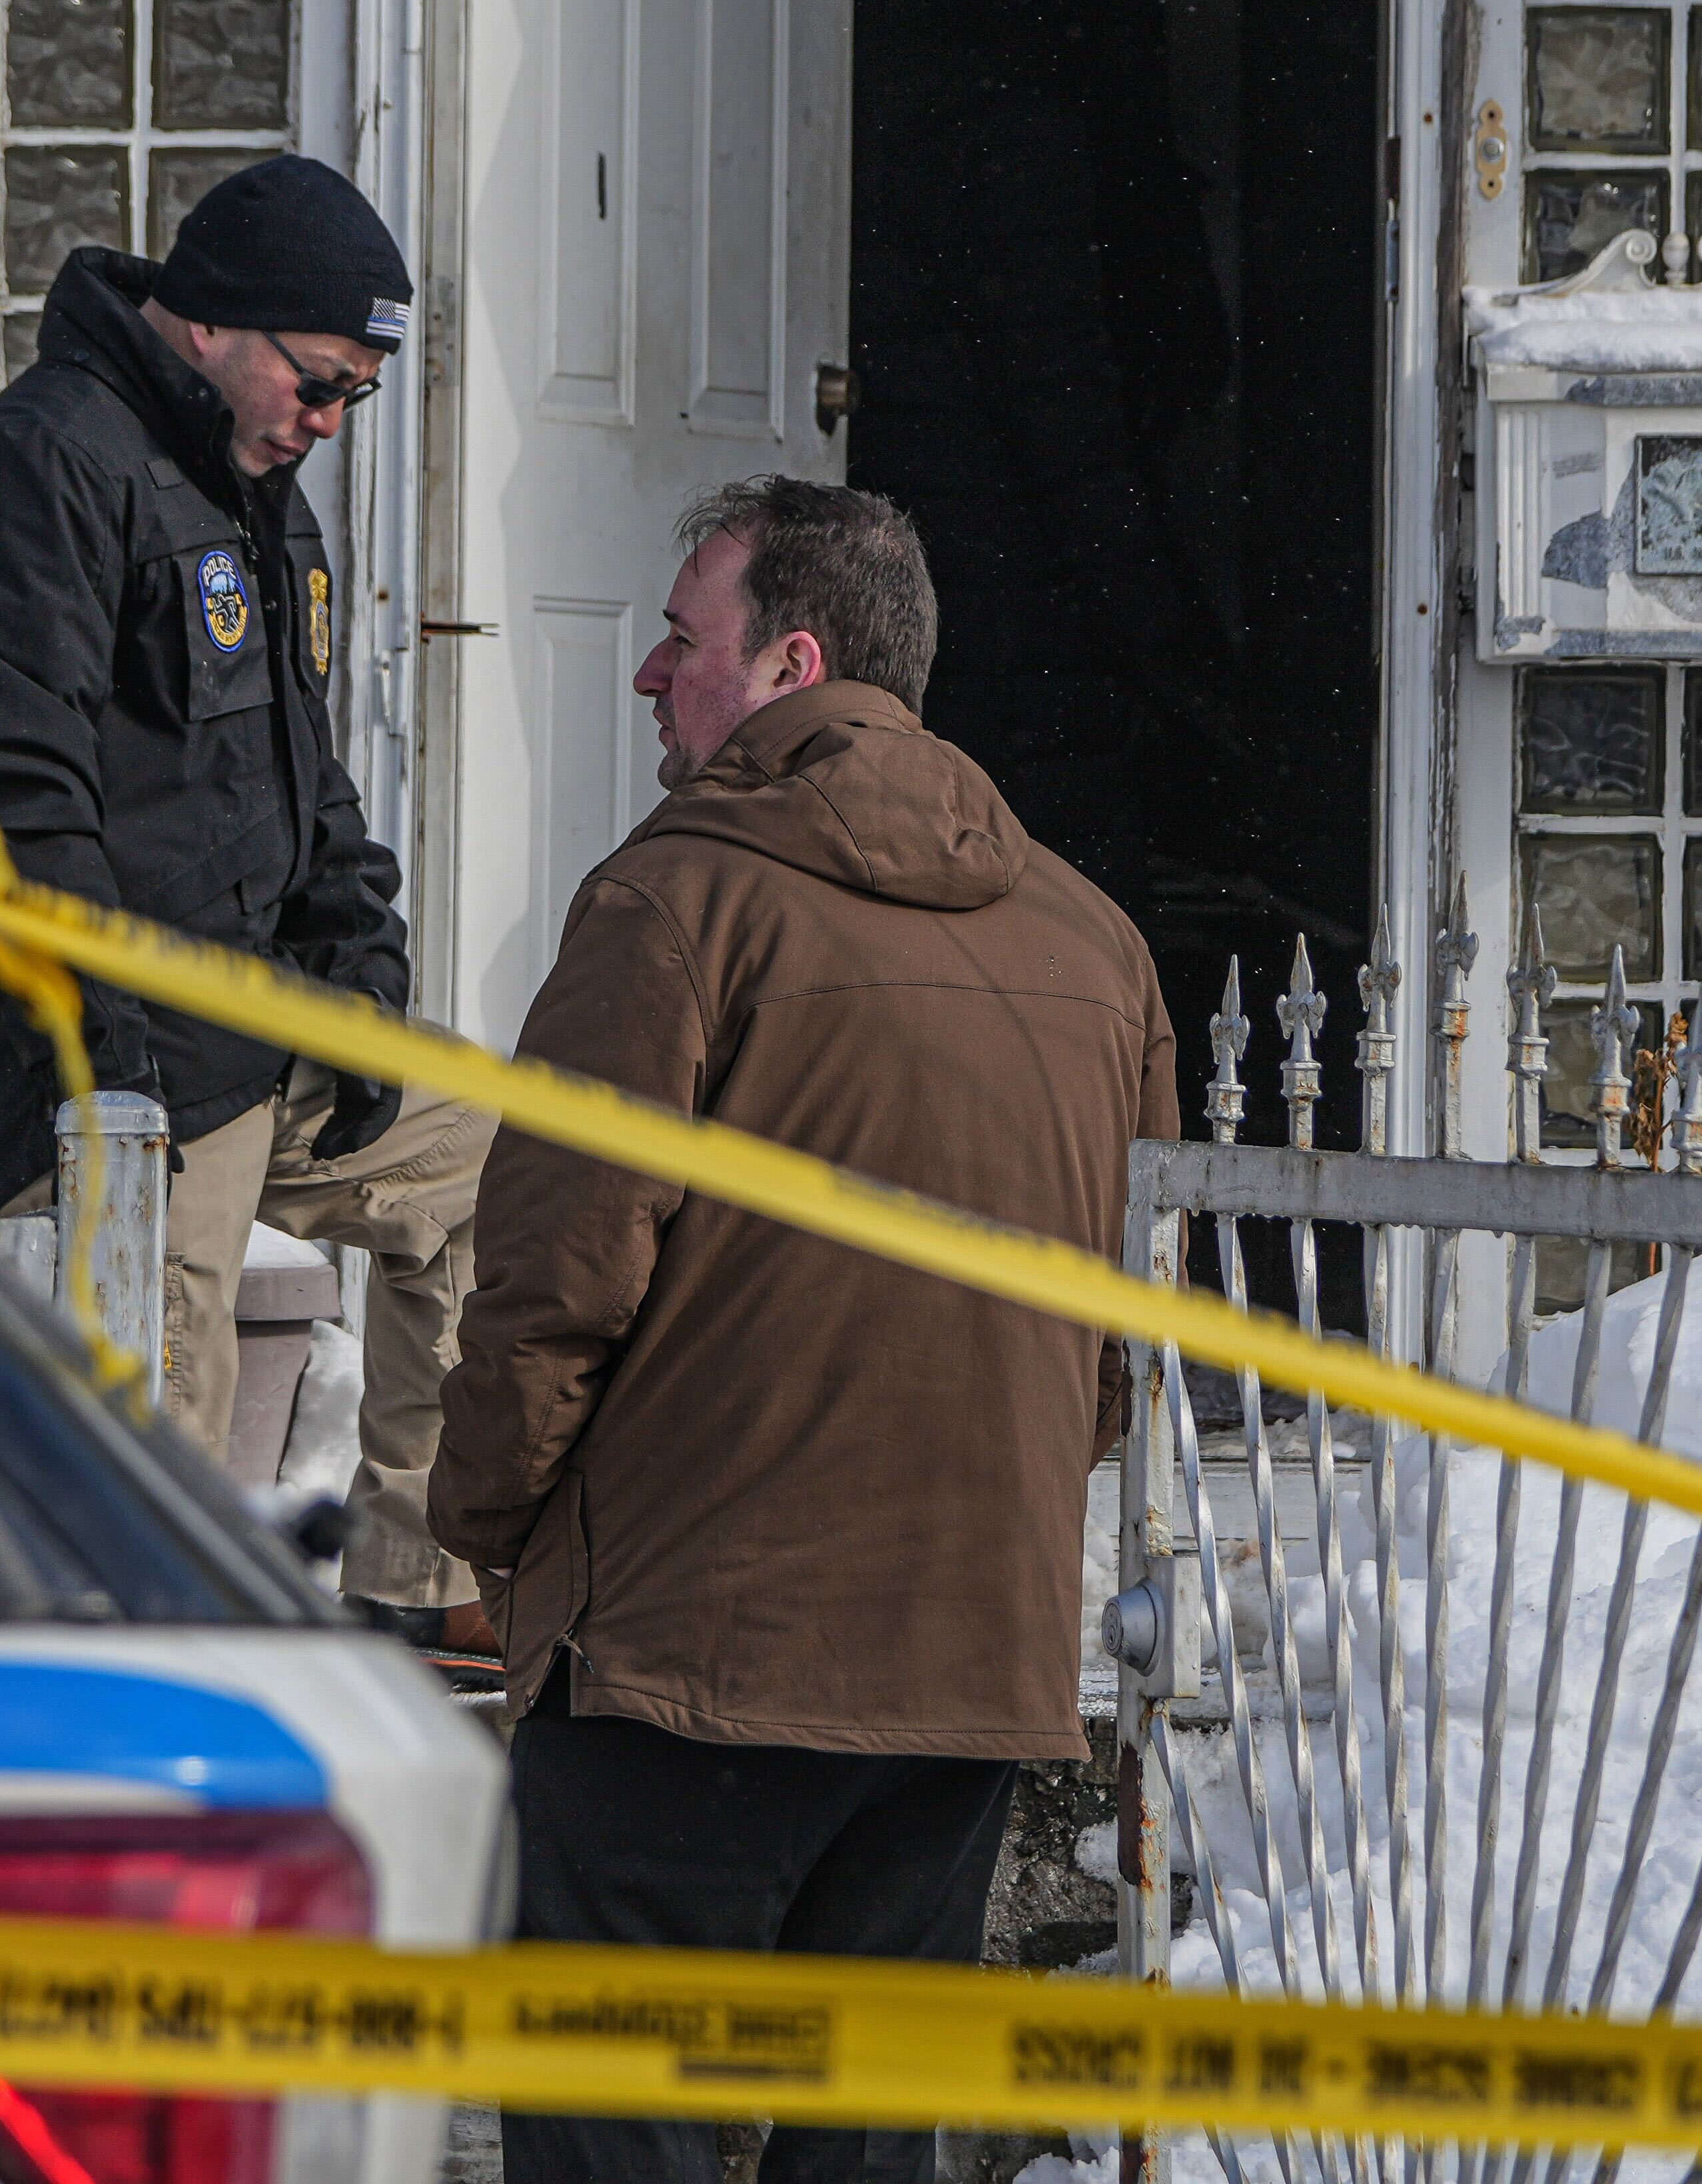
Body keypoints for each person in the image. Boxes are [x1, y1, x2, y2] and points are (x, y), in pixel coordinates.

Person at [430, 475, 1179, 2184]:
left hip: (684, 1663)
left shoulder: (673, 907)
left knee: (622, 2134)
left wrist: (491, 1527)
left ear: (790, 661)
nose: (644, 677)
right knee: (868, 2145)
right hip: (964, 1671)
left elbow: (556, 1276)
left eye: (680, 639)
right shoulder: (1095, 940)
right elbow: (1131, 1323)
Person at [0, 155, 494, 1644]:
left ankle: (431, 1579)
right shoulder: (46, 467)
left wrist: (361, 980)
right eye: (321, 382)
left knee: (501, 1171)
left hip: (257, 1031)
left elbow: (310, 786)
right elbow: (11, 799)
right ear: (210, 322)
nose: (332, 424)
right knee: (169, 1362)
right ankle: (150, 1694)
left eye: (360, 395)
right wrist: (108, 1063)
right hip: (111, 1053)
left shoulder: (260, 495)